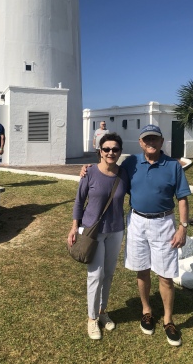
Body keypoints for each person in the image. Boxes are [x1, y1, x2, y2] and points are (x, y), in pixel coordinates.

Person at [81, 125, 190, 346]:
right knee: (142, 269)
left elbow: (182, 198)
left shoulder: (172, 165)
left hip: (164, 222)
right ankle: (146, 310)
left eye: (155, 139)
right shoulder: (131, 163)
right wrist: (88, 169)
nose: (150, 142)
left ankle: (168, 319)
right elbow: (108, 170)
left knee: (166, 274)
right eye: (146, 139)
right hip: (138, 221)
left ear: (161, 142)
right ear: (140, 143)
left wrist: (183, 227)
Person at [68, 133, 129, 340]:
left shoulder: (124, 174)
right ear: (100, 152)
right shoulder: (90, 172)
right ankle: (92, 318)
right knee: (95, 275)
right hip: (92, 230)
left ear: (120, 152)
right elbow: (79, 201)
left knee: (109, 273)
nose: (111, 152)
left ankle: (103, 312)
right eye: (107, 149)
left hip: (116, 229)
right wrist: (74, 227)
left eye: (115, 149)